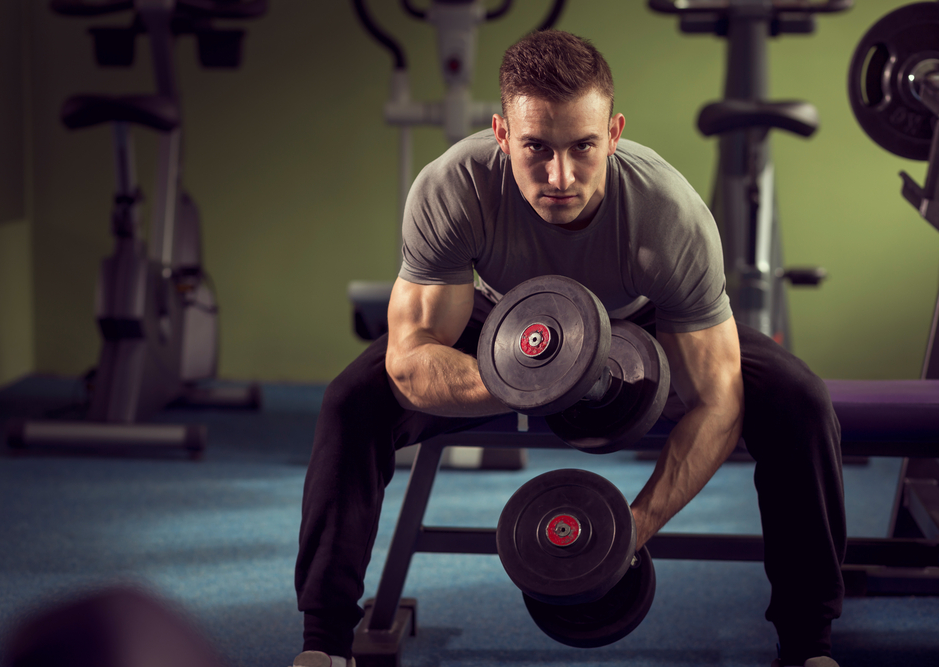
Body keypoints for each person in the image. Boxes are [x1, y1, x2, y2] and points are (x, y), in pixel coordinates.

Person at [292, 29, 846, 667]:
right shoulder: (454, 189)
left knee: (801, 403)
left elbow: (717, 402)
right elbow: (410, 358)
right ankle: (325, 643)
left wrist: (631, 531)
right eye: (536, 148)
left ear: (613, 133)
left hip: (645, 326)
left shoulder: (668, 217)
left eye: (584, 147)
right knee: (352, 402)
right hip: (509, 328)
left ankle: (809, 644)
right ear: (502, 134)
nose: (561, 176)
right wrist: (533, 377)